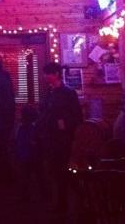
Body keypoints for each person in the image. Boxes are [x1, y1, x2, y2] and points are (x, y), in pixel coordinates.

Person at [38, 62, 83, 216]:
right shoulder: (49, 92)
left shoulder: (68, 93)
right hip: (50, 137)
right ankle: (62, 202)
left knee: (63, 172)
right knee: (55, 171)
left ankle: (74, 202)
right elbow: (45, 112)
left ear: (56, 74)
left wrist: (65, 123)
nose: (44, 76)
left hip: (63, 139)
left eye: (47, 73)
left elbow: (78, 116)